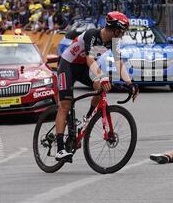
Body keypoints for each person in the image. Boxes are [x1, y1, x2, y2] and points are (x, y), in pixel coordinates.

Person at [55, 11, 139, 162]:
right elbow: (90, 59)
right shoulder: (92, 35)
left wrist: (130, 83)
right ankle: (60, 148)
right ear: (115, 29)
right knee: (65, 106)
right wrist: (102, 76)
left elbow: (119, 63)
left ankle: (86, 120)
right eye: (122, 31)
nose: (122, 34)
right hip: (68, 65)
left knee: (102, 88)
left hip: (83, 69)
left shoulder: (113, 42)